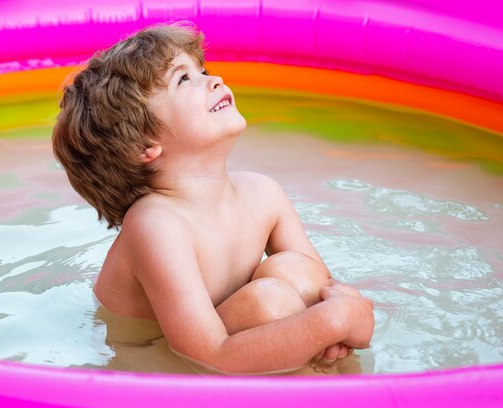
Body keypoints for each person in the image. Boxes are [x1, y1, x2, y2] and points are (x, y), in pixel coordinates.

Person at [52, 22, 374, 374]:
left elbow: (329, 293)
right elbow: (211, 355)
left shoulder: (263, 194)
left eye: (202, 70)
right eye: (184, 79)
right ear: (144, 145)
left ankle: (335, 387)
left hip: (232, 349)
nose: (214, 80)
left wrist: (345, 314)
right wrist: (329, 324)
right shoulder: (156, 224)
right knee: (268, 302)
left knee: (294, 270)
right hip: (159, 370)